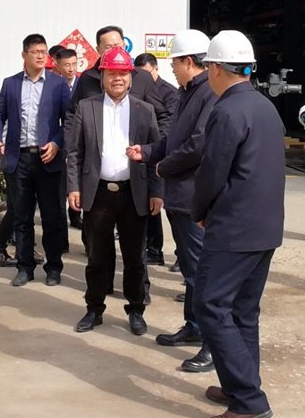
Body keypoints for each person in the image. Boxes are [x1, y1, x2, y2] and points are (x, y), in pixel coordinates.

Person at [191, 30, 284, 418]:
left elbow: (212, 172)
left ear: (214, 68)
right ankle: (239, 385)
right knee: (244, 310)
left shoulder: (227, 111)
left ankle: (248, 399)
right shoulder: (264, 106)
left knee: (210, 306)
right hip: (264, 226)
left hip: (233, 228)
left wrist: (199, 211)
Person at [128, 30, 216, 373]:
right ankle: (193, 326)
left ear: (188, 62)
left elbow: (198, 145)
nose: (172, 70)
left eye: (174, 63)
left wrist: (163, 166)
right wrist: (148, 152)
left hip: (194, 195)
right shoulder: (186, 93)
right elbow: (174, 139)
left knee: (201, 272)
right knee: (192, 270)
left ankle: (210, 341)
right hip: (181, 197)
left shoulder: (207, 93)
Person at [67, 47, 163, 336]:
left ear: (131, 77)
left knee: (134, 258)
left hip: (134, 192)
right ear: (102, 76)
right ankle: (94, 309)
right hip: (97, 193)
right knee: (97, 257)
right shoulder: (87, 107)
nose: (117, 78)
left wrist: (157, 191)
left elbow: (154, 154)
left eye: (123, 73)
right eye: (112, 73)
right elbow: (75, 152)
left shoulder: (144, 110)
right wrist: (74, 187)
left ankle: (136, 310)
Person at [0, 34, 70, 287]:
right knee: (22, 217)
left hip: (48, 159)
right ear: (24, 55)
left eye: (43, 51)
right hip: (19, 159)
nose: (40, 56)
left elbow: (69, 119)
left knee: (51, 217)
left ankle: (53, 267)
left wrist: (57, 143)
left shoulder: (58, 84)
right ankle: (24, 267)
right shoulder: (11, 84)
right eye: (35, 51)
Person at [134, 52, 180, 266]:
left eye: (148, 73)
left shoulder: (169, 92)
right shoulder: (135, 88)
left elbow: (168, 124)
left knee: (171, 209)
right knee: (149, 205)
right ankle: (153, 250)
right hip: (143, 153)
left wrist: (156, 145)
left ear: (156, 69)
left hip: (163, 154)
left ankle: (180, 255)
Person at [53, 47, 84, 230]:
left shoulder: (83, 85)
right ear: (57, 65)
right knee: (60, 184)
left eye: (74, 64)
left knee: (76, 180)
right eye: (67, 65)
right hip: (59, 142)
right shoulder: (53, 86)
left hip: (79, 140)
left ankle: (75, 215)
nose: (71, 69)